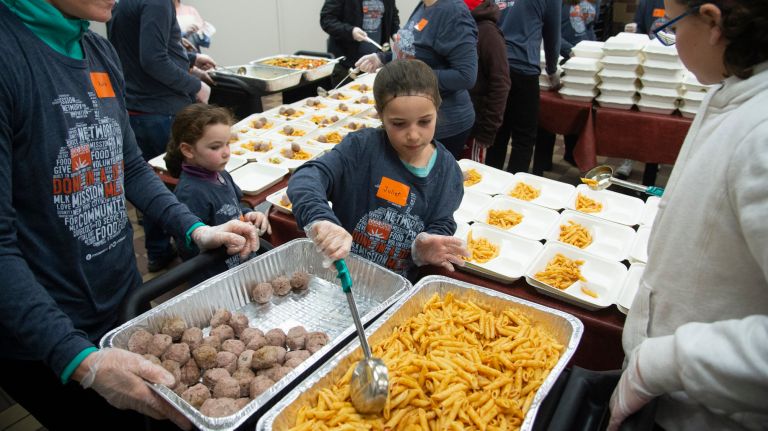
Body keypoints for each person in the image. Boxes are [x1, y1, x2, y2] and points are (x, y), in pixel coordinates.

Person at [0, 1, 260, 429]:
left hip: (120, 300)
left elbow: (131, 167)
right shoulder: (10, 56)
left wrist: (195, 229)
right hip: (46, 330)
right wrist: (80, 361)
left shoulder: (97, 51)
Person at [607, 1, 768, 430]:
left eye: (673, 26)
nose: (673, 39)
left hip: (710, 415)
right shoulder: (729, 92)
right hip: (670, 394)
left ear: (713, 23)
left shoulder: (762, 134)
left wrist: (664, 363)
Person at [288, 59, 469, 279]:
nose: (413, 135)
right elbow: (306, 178)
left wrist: (425, 246)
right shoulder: (361, 148)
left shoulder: (448, 173)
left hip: (396, 284)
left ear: (437, 111)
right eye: (399, 124)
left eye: (424, 122)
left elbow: (442, 220)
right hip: (341, 276)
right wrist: (321, 219)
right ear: (380, 115)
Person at [108, 0, 217, 272]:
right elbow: (153, 59)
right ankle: (191, 250)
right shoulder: (157, 1)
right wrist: (195, 85)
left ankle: (158, 250)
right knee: (171, 184)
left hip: (139, 107)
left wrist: (190, 60)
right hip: (160, 109)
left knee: (153, 182)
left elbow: (140, 48)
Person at [355, 0, 479, 159]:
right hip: (413, 116)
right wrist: (383, 58)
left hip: (441, 124)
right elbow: (415, 51)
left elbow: (466, 76)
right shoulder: (425, 5)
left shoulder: (453, 13)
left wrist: (411, 75)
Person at [164, 104, 271, 283]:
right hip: (218, 276)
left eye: (227, 144)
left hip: (240, 263)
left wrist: (248, 215)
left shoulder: (221, 173)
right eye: (215, 147)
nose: (226, 153)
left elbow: (235, 205)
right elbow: (189, 247)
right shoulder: (191, 193)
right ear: (188, 150)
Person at [489, 0, 561, 173]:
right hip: (524, 68)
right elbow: (552, 34)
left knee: (497, 132)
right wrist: (552, 70)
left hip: (495, 64)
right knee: (523, 138)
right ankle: (514, 186)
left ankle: (491, 184)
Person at [533, 0, 599, 174]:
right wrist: (569, 51)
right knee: (550, 109)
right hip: (560, 56)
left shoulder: (594, 2)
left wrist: (593, 49)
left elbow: (589, 27)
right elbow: (549, 30)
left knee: (577, 107)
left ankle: (572, 153)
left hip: (584, 61)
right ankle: (543, 160)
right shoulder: (557, 3)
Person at [462, 0, 511, 164]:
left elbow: (500, 84)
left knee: (470, 175)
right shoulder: (456, 25)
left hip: (475, 126)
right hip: (453, 121)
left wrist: (487, 130)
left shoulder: (488, 33)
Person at [320, 0, 400, 78]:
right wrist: (351, 31)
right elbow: (326, 19)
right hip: (346, 64)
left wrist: (395, 32)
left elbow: (393, 16)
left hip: (376, 62)